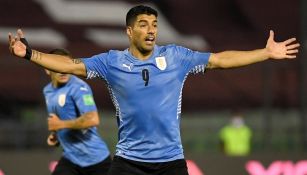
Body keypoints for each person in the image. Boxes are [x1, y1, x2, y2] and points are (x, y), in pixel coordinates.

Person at [8, 5, 299, 175]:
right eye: (144, 24)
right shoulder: (111, 62)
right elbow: (70, 65)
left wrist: (265, 53)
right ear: (129, 31)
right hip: (128, 163)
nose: (151, 30)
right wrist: (29, 54)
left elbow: (220, 60)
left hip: (171, 162)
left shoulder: (177, 57)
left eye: (155, 25)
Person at [43, 48, 111, 175]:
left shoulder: (79, 88)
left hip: (95, 160)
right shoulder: (47, 91)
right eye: (58, 65)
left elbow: (92, 119)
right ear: (47, 68)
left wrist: (60, 125)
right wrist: (56, 135)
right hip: (71, 158)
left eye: (66, 65)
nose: (63, 70)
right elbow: (61, 118)